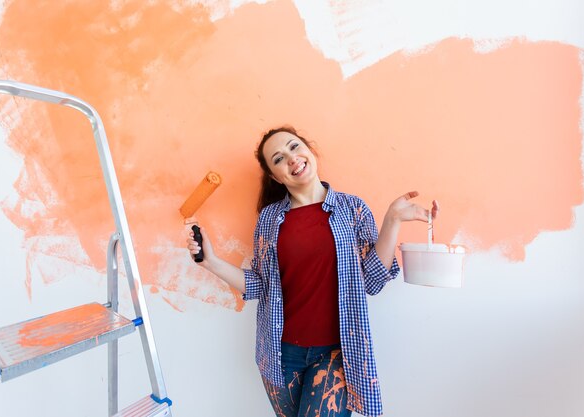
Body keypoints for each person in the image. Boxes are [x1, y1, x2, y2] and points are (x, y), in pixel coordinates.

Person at [186, 126, 439, 417]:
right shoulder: (269, 219)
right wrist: (211, 262)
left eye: (294, 147)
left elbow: (372, 281)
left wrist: (393, 220)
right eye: (278, 158)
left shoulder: (352, 208)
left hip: (335, 351)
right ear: (274, 176)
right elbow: (259, 285)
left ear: (309, 149)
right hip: (279, 354)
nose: (291, 159)